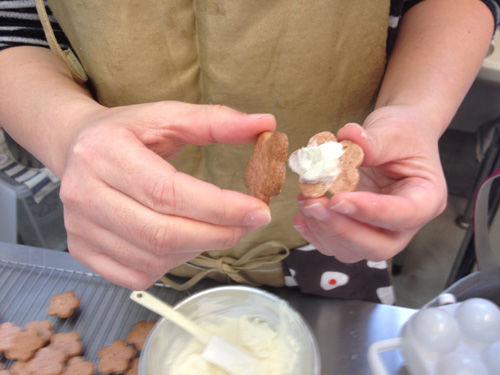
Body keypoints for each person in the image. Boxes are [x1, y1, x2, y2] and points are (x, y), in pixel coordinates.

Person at [0, 0, 497, 303]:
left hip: (327, 236)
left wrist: (413, 112)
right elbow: (12, 19)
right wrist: (70, 131)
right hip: (119, 222)